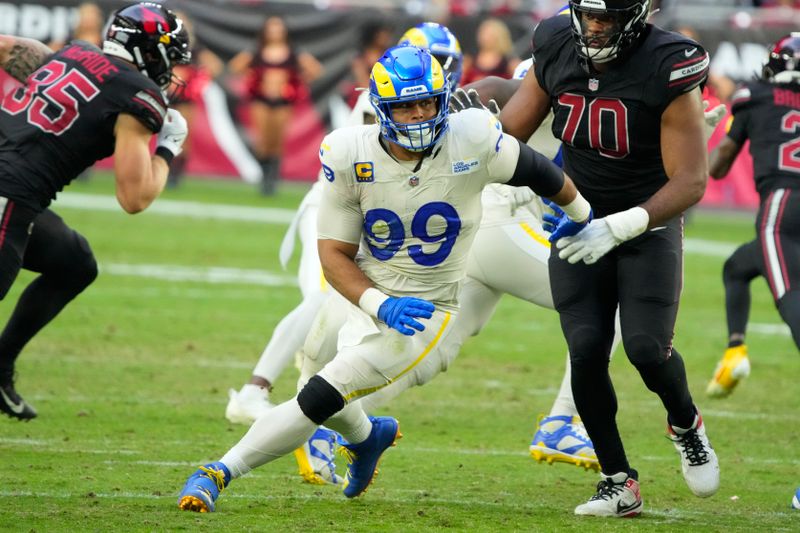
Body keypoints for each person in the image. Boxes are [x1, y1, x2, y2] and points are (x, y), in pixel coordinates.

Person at [178, 44, 593, 512]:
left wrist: (581, 214)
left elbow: (538, 169)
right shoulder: (348, 151)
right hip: (366, 289)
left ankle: (216, 473)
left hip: (424, 310)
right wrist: (376, 302)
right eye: (404, 106)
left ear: (445, 100)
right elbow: (333, 254)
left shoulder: (473, 136)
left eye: (427, 103)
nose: (418, 116)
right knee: (313, 366)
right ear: (381, 108)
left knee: (319, 393)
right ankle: (368, 435)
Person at [498, 0, 720, 517]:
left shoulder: (667, 61)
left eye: (609, 17)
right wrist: (514, 176)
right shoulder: (555, 41)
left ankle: (685, 423)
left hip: (647, 224)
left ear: (639, 15)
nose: (596, 26)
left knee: (646, 348)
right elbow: (510, 132)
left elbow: (691, 180)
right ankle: (618, 481)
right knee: (586, 349)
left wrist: (621, 225)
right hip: (578, 223)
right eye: (589, 14)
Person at [0, 2, 190, 421]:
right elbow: (134, 198)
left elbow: (8, 46)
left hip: (19, 197)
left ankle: (1, 363)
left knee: (75, 264)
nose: (172, 69)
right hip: (8, 194)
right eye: (170, 57)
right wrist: (167, 148)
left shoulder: (72, 54)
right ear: (148, 50)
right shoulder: (138, 94)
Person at [705, 33, 800, 398]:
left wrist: (705, 135)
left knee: (789, 295)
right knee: (737, 267)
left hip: (783, 205)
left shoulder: (755, 96)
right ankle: (735, 351)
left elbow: (717, 167)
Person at [228, 16, 323, 195]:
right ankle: (264, 176)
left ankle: (272, 179)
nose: (275, 31)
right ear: (265, 30)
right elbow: (235, 67)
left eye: (278, 27)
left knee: (277, 141)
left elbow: (315, 69)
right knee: (262, 141)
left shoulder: (293, 52)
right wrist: (251, 80)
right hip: (260, 100)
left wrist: (298, 83)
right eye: (271, 28)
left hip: (283, 101)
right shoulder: (257, 50)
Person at [166, 11, 224, 188]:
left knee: (183, 135)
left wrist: (197, 80)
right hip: (164, 95)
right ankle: (164, 169)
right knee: (164, 133)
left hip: (185, 97)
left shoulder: (195, 49)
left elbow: (215, 66)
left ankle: (176, 175)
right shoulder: (163, 45)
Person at [460, 18, 518, 86]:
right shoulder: (470, 58)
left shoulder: (509, 61)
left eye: (489, 34)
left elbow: (520, 80)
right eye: (483, 33)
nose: (485, 37)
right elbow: (459, 79)